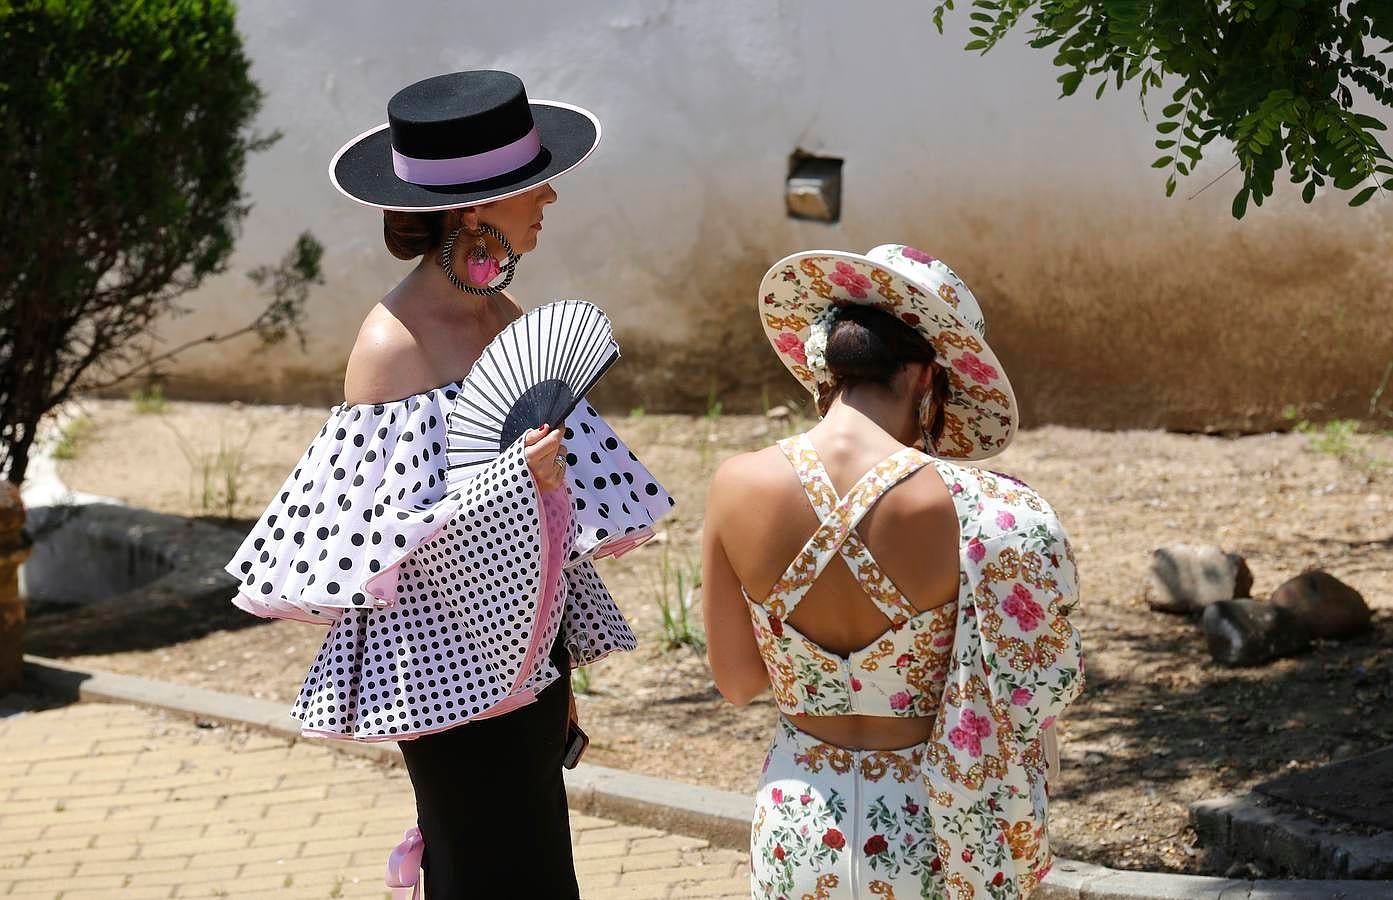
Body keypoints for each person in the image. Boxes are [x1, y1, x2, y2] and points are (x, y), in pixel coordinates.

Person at [226, 70, 672, 899]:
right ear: (476, 211)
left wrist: (563, 671)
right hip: (444, 678)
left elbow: (553, 531)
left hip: (529, 668)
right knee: (481, 871)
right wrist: (510, 479)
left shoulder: (502, 318)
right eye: (530, 183)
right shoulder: (392, 343)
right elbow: (375, 542)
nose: (548, 198)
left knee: (538, 871)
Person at [702, 245, 1084, 899]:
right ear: (928, 376)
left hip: (798, 818)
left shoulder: (736, 483)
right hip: (935, 824)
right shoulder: (984, 507)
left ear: (826, 362)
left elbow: (737, 682)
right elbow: (1038, 688)